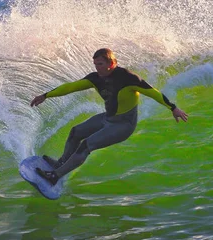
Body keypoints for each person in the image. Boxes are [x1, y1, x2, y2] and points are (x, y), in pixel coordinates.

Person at [30, 48, 188, 185]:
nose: (97, 68)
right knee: (75, 132)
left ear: (111, 63)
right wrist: (46, 95)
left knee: (86, 145)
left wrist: (173, 108)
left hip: (124, 125)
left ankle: (55, 176)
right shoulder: (95, 78)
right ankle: (61, 164)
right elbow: (72, 87)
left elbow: (154, 93)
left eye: (100, 64)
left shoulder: (128, 79)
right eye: (95, 64)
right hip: (108, 118)